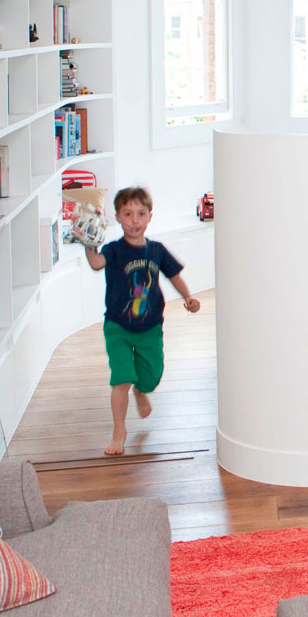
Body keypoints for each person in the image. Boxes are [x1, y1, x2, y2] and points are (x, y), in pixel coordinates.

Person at [86, 185, 201, 456]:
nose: (134, 220)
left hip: (150, 327)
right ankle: (119, 432)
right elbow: (96, 263)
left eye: (140, 213)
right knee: (121, 377)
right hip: (117, 326)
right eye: (127, 214)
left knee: (150, 379)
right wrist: (87, 240)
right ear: (117, 217)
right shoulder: (113, 249)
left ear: (150, 216)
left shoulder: (157, 250)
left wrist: (188, 298)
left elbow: (174, 276)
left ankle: (141, 390)